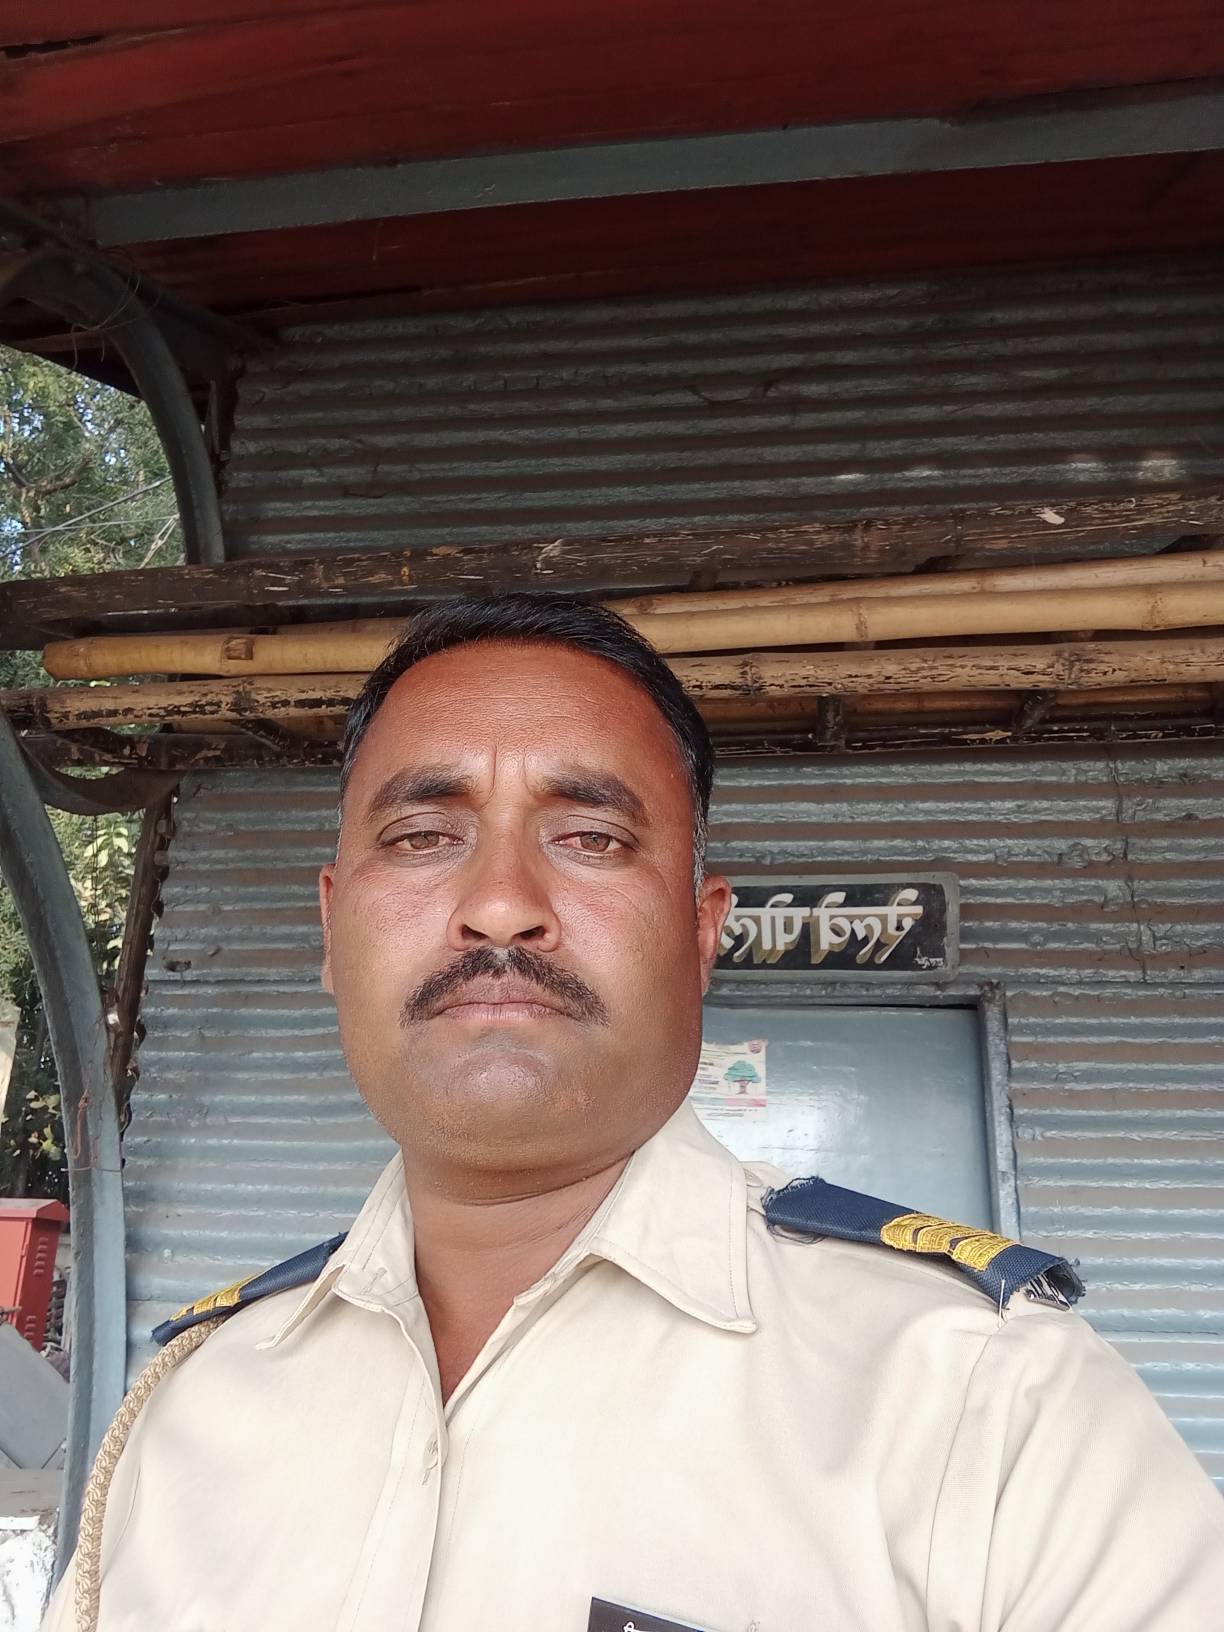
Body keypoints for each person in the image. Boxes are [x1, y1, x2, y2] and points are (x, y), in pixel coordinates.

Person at [45, 592, 1224, 1632]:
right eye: (422, 836)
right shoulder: (188, 1412)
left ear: (703, 933)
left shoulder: (987, 1406)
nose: (499, 904)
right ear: (331, 924)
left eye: (591, 837)